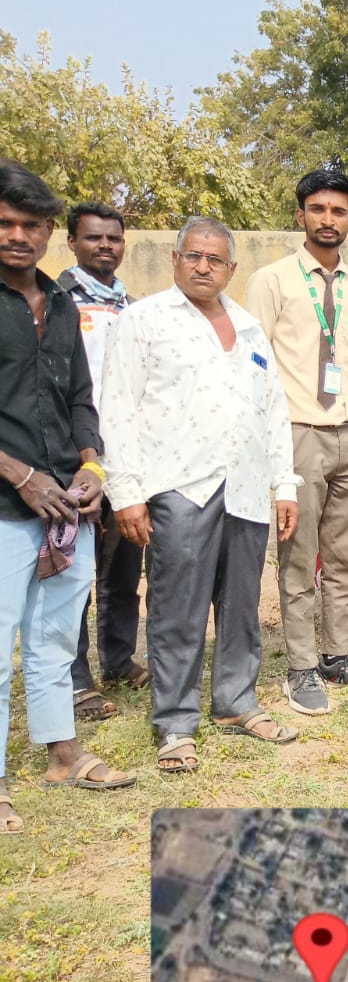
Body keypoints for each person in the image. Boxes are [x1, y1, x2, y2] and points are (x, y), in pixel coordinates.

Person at [101, 217, 303, 773]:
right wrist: (127, 493)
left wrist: (283, 483)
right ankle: (175, 722)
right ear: (174, 258)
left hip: (243, 484)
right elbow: (115, 407)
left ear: (231, 268)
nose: (203, 266)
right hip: (177, 485)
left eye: (215, 260)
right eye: (193, 256)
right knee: (177, 609)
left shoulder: (250, 327)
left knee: (241, 604)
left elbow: (274, 410)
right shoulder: (143, 321)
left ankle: (236, 701)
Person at [0, 160, 134, 829]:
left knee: (54, 639)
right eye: (5, 223)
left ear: (49, 232)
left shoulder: (59, 303)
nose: (18, 236)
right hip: (7, 504)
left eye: (30, 224)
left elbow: (82, 399)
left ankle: (63, 754)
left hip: (67, 505)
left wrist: (91, 470)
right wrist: (21, 476)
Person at [247, 168, 348, 715]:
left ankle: (336, 655)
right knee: (299, 555)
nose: (328, 220)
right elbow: (256, 365)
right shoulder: (273, 280)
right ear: (301, 214)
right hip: (299, 433)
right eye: (318, 209)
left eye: (338, 211)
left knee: (343, 555)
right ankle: (302, 666)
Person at [59, 201, 145, 720]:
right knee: (72, 573)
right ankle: (74, 680)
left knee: (121, 569)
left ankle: (118, 660)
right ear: (72, 242)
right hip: (73, 460)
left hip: (125, 459)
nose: (105, 247)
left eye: (113, 239)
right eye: (94, 238)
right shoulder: (54, 300)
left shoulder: (132, 307)